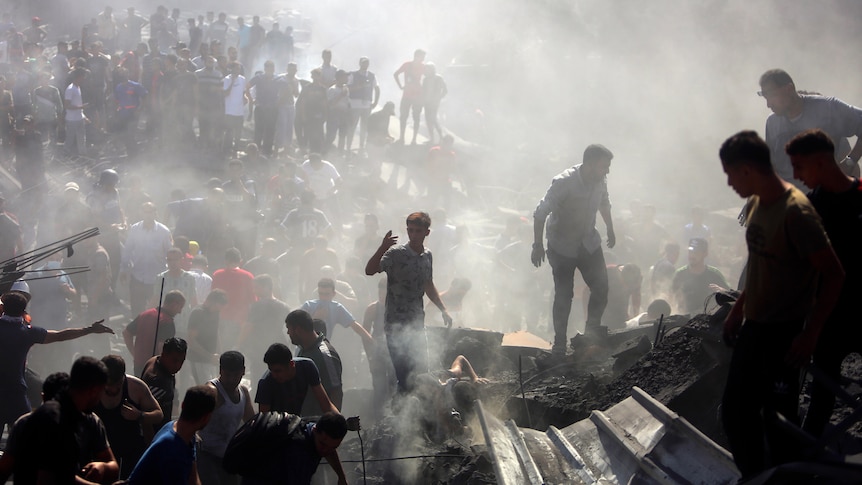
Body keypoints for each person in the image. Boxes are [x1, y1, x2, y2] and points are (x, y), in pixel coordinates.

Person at [719, 130, 844, 478]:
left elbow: (834, 275)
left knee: (779, 422)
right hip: (755, 327)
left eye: (730, 174)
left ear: (747, 169)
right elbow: (762, 262)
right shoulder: (759, 202)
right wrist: (738, 309)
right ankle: (757, 476)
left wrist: (811, 334)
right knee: (735, 412)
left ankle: (783, 476)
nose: (729, 183)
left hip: (785, 334)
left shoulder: (798, 214)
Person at [785, 129, 862, 439]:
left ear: (820, 163)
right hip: (827, 317)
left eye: (799, 166)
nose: (795, 175)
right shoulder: (807, 208)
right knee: (821, 394)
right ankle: (808, 453)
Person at [531, 144, 616, 356]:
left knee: (601, 287)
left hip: (588, 242)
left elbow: (604, 203)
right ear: (588, 164)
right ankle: (559, 343)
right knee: (564, 294)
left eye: (608, 167)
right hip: (562, 246)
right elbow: (540, 213)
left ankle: (591, 334)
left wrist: (611, 228)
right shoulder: (564, 182)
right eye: (603, 166)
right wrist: (537, 245)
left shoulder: (600, 180)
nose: (607, 171)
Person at [0, 291, 114, 432]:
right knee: (26, 437)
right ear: (23, 311)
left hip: (11, 391)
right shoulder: (27, 332)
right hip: (16, 393)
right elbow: (60, 335)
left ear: (3, 309)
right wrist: (89, 329)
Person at [365, 211, 452, 393]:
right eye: (410, 230)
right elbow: (370, 270)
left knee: (421, 373)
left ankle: (418, 414)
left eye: (418, 231)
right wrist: (382, 247)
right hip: (395, 325)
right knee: (404, 376)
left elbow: (428, 283)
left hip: (416, 324)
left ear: (426, 233)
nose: (413, 235)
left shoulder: (427, 256)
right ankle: (400, 415)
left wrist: (443, 309)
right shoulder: (396, 253)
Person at [3, 357, 119, 484]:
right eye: (101, 392)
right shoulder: (53, 420)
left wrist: (103, 467)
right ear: (94, 391)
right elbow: (50, 479)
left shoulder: (83, 419)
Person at [758, 69, 862, 188]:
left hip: (824, 197)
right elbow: (771, 165)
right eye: (766, 98)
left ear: (789, 89)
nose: (768, 104)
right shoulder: (772, 123)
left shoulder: (828, 108)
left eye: (772, 96)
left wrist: (850, 162)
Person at [127, 385, 217, 484]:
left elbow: (193, 477)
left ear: (183, 405)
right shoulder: (172, 449)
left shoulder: (185, 435)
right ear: (206, 418)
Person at [94, 355, 164, 479]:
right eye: (107, 384)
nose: (110, 389)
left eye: (115, 385)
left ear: (122, 378)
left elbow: (158, 414)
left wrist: (139, 415)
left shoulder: (136, 387)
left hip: (129, 451)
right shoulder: (92, 386)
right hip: (100, 450)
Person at [237, 412, 349, 485]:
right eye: (323, 445)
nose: (326, 451)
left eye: (333, 447)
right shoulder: (299, 451)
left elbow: (330, 451)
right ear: (315, 431)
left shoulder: (315, 426)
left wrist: (341, 477)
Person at [198, 351, 255, 485]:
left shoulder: (243, 392)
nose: (231, 380)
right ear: (220, 371)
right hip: (207, 456)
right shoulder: (212, 391)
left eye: (236, 375)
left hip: (228, 457)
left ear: (243, 372)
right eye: (227, 375)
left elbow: (252, 423)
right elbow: (192, 422)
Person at [286, 309, 353, 413]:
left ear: (298, 330)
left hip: (320, 421)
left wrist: (332, 423)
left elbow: (336, 391)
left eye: (289, 329)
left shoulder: (325, 354)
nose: (287, 333)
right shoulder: (303, 350)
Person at [254, 343, 338, 415]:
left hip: (296, 421)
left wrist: (340, 422)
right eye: (271, 370)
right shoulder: (265, 383)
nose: (274, 375)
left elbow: (326, 404)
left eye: (278, 371)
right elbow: (264, 421)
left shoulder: (307, 367)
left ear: (291, 364)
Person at [120, 202, 173, 317]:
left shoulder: (164, 231)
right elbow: (127, 250)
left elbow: (170, 253)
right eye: (145, 212)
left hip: (157, 278)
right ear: (141, 213)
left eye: (150, 212)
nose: (148, 215)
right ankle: (138, 332)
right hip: (137, 275)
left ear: (155, 213)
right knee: (136, 309)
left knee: (157, 310)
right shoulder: (135, 229)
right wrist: (123, 269)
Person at [122, 290, 186, 376]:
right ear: (174, 304)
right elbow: (162, 348)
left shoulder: (145, 314)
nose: (180, 312)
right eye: (180, 307)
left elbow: (126, 333)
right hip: (154, 369)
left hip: (138, 365)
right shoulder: (167, 322)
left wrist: (135, 354)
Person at [141, 337, 188, 433]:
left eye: (182, 361)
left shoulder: (155, 360)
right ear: (164, 354)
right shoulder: (157, 381)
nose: (178, 365)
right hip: (155, 434)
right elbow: (147, 416)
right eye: (175, 360)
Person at [670, 238, 729, 315]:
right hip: (683, 321)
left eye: (696, 252)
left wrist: (723, 291)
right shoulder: (679, 274)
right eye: (690, 252)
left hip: (707, 321)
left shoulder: (715, 274)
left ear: (705, 253)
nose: (692, 255)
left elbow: (730, 296)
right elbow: (670, 298)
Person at [187, 289, 229, 383]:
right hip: (198, 359)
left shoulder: (216, 312)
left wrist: (220, 354)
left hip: (211, 360)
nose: (219, 310)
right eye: (218, 307)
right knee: (204, 388)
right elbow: (191, 340)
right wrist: (209, 356)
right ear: (211, 302)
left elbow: (216, 333)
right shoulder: (198, 313)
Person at [346, 57, 379, 154]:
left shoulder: (372, 76)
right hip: (355, 103)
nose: (365, 65)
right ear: (360, 64)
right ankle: (348, 147)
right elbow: (347, 87)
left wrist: (376, 102)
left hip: (366, 104)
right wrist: (359, 86)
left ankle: (361, 146)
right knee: (352, 126)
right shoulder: (353, 74)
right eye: (363, 63)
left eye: (367, 63)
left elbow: (377, 88)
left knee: (364, 127)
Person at [393, 49, 426, 145]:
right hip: (410, 95)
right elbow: (395, 74)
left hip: (414, 95)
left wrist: (401, 86)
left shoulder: (421, 66)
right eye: (423, 57)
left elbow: (396, 74)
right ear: (418, 56)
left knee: (414, 117)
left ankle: (411, 139)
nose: (423, 59)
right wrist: (400, 86)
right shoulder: (409, 65)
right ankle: (405, 138)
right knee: (405, 117)